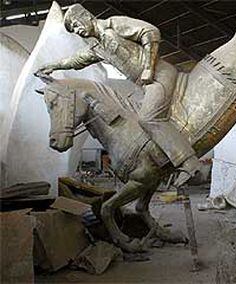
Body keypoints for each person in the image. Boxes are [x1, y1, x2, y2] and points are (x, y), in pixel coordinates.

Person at [36, 4, 200, 186]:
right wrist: (54, 66)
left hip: (158, 75)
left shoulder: (113, 24)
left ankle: (189, 162)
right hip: (145, 84)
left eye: (75, 25)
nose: (77, 30)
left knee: (148, 119)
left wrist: (148, 67)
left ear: (85, 16)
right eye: (73, 30)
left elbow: (150, 32)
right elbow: (77, 60)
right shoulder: (98, 47)